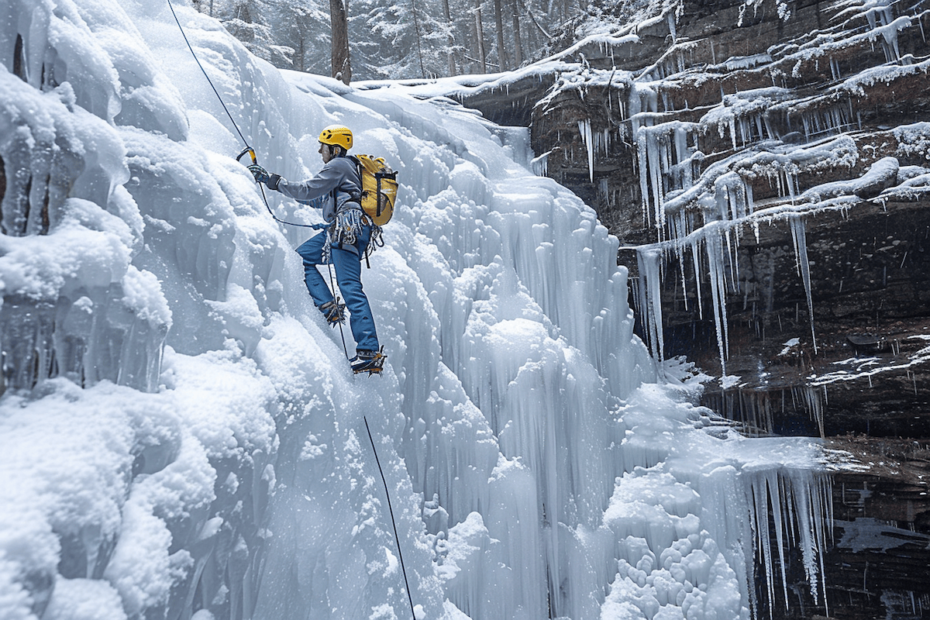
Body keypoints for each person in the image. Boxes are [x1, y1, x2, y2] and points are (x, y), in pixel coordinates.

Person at [248, 125, 384, 374]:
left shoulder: (338, 166)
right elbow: (315, 198)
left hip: (347, 228)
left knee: (350, 288)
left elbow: (310, 189)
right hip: (349, 228)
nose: (319, 150)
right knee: (300, 259)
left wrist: (276, 182)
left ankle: (368, 350)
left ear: (334, 148)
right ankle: (329, 308)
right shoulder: (348, 171)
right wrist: (272, 183)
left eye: (323, 145)